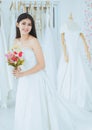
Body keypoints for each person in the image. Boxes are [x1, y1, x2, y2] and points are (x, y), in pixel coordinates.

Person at [13, 13, 92, 130]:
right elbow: (18, 60)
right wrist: (17, 68)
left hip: (36, 79)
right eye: (23, 23)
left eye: (29, 24)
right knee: (25, 106)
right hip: (24, 81)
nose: (26, 27)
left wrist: (23, 73)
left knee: (36, 107)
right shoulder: (16, 41)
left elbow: (41, 65)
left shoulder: (34, 41)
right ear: (17, 24)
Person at [57, 13, 92, 111]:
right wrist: (65, 54)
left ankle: (80, 98)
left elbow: (84, 41)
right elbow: (62, 42)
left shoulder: (77, 25)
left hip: (77, 54)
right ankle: (69, 98)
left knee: (80, 75)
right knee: (67, 74)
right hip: (69, 53)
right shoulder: (64, 25)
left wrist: (87, 52)